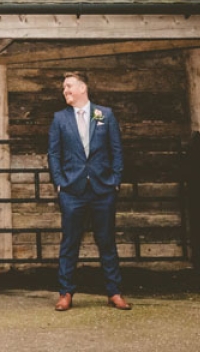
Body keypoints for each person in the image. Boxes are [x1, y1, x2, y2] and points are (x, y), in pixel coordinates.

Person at [47, 71, 131, 312]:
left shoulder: (105, 114)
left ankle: (114, 292)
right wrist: (60, 183)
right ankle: (65, 293)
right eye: (64, 87)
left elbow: (116, 149)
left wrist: (115, 180)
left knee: (106, 242)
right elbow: (53, 154)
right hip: (72, 191)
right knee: (70, 243)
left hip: (103, 190)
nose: (65, 91)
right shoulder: (59, 118)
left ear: (83, 88)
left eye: (69, 86)